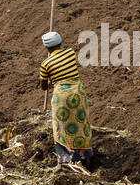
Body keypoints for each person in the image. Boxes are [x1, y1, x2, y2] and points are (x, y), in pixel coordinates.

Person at [37, 31, 96, 166]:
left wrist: (49, 79)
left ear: (46, 47)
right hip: (78, 92)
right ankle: (85, 154)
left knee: (62, 126)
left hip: (62, 97)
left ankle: (68, 158)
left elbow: (44, 87)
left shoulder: (45, 64)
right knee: (81, 122)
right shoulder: (70, 53)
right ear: (60, 42)